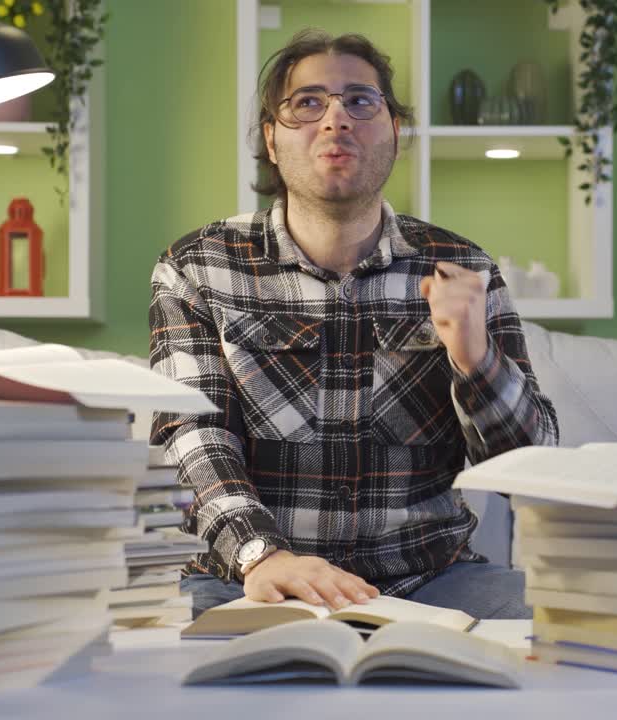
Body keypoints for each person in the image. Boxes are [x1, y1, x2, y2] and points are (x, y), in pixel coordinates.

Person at [149, 29, 558, 620]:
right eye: (307, 102)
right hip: (248, 577)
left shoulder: (465, 267)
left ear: (395, 130)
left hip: (432, 579)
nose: (336, 118)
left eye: (360, 101)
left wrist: (477, 360)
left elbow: (536, 471)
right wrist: (263, 556)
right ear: (271, 137)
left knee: (552, 656)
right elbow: (193, 437)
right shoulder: (196, 267)